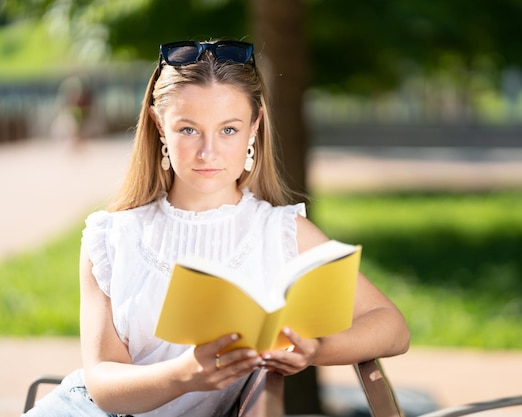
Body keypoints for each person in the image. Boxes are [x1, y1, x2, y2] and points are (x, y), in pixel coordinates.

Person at [24, 39, 410, 417]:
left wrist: (314, 350)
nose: (208, 152)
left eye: (228, 129)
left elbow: (392, 327)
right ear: (160, 126)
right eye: (188, 129)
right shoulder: (110, 237)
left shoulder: (281, 232)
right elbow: (103, 385)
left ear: (254, 127)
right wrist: (184, 375)